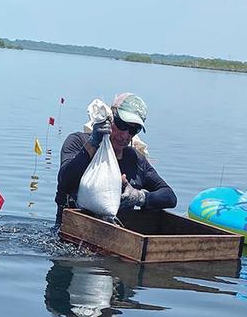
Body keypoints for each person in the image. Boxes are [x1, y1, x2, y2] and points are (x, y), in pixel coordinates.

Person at [55, 93, 177, 225]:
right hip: (68, 234)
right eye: (121, 125)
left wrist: (139, 197)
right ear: (110, 118)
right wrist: (94, 143)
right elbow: (65, 181)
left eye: (133, 129)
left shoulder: (136, 160)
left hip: (114, 237)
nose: (125, 135)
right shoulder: (77, 142)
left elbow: (169, 197)